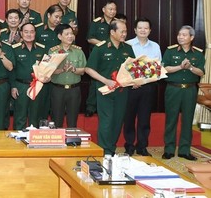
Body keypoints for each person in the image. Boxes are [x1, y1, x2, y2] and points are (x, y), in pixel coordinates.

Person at [84, 20, 135, 156]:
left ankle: (111, 148)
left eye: (125, 31)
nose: (125, 34)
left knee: (118, 120)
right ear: (112, 32)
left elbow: (133, 69)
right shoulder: (101, 48)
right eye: (122, 31)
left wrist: (135, 81)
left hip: (122, 91)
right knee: (106, 121)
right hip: (104, 90)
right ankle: (104, 150)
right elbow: (89, 69)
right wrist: (105, 80)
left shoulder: (128, 48)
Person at [161, 25, 205, 161]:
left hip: (190, 90)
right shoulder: (170, 50)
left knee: (187, 120)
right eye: (179, 34)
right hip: (173, 89)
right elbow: (165, 69)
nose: (180, 37)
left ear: (191, 37)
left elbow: (201, 72)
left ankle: (184, 150)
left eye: (184, 35)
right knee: (171, 120)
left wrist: (190, 67)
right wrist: (180, 67)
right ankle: (169, 149)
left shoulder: (197, 53)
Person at [124, 18, 161, 156]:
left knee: (145, 118)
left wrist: (144, 81)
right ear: (135, 30)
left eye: (146, 28)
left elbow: (157, 68)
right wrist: (133, 82)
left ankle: (142, 146)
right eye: (140, 28)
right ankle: (129, 145)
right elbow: (124, 67)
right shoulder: (127, 44)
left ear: (150, 30)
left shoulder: (155, 46)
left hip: (148, 87)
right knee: (129, 117)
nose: (143, 30)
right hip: (131, 87)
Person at [48, 24, 86, 129]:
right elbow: (48, 70)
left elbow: (84, 70)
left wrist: (74, 69)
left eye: (72, 34)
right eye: (67, 34)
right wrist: (62, 70)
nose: (70, 36)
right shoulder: (53, 51)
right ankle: (57, 143)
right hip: (58, 89)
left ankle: (71, 142)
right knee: (57, 120)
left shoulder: (78, 51)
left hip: (74, 90)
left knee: (72, 121)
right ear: (60, 37)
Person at [85, 0, 118, 117]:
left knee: (110, 78)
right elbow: (90, 39)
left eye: (114, 9)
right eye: (110, 9)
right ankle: (90, 107)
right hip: (98, 55)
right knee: (95, 81)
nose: (112, 11)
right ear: (104, 10)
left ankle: (105, 108)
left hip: (113, 57)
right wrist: (104, 45)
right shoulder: (96, 22)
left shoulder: (117, 23)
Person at [11, 23, 47, 130]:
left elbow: (46, 67)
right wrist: (13, 86)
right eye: (26, 32)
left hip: (37, 86)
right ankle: (17, 142)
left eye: (32, 32)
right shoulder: (15, 49)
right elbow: (11, 69)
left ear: (35, 33)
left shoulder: (42, 49)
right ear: (21, 33)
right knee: (20, 116)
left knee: (35, 116)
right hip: (21, 86)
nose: (29, 34)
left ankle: (33, 141)